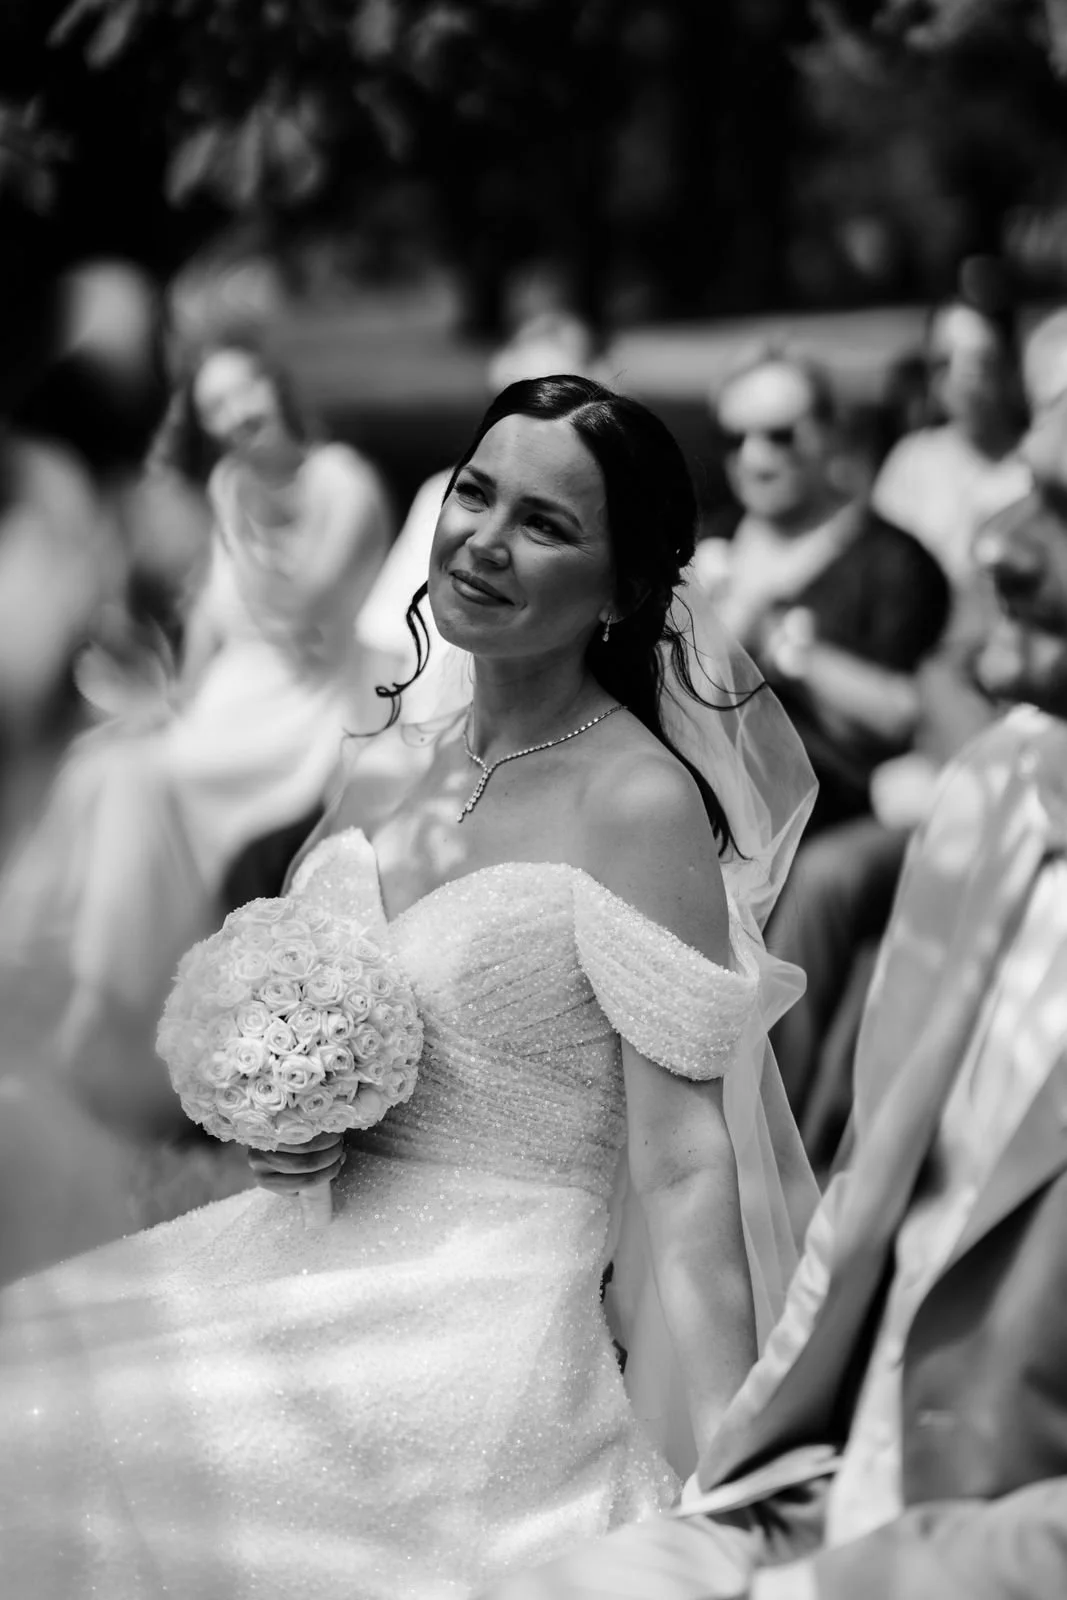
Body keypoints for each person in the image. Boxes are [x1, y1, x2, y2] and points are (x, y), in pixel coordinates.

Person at [0, 377, 818, 1599]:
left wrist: (732, 1481)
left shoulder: (632, 802)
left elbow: (684, 1164)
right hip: (302, 1243)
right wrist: (285, 1121)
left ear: (623, 588)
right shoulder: (387, 764)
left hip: (476, 1309)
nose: (483, 540)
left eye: (546, 524)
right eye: (475, 493)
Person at [481, 354, 1067, 1600]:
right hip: (808, 1498)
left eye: (1065, 510)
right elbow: (868, 1251)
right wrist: (733, 1503)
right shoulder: (1005, 802)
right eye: (1025, 491)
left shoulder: (874, 587)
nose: (1002, 548)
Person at [0, 333, 391, 1135]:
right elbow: (213, 623)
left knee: (144, 781)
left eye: (242, 393)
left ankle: (106, 1017)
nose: (233, 415)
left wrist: (241, 518)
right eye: (213, 406)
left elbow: (308, 612)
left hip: (304, 705)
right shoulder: (226, 484)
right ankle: (76, 996)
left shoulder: (340, 479)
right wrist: (171, 703)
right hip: (227, 701)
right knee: (104, 762)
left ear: (274, 387)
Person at [695, 351, 950, 835]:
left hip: (826, 824)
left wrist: (789, 650)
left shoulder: (895, 561)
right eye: (733, 439)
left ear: (831, 432)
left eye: (780, 435)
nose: (754, 457)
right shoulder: (705, 545)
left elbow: (900, 717)